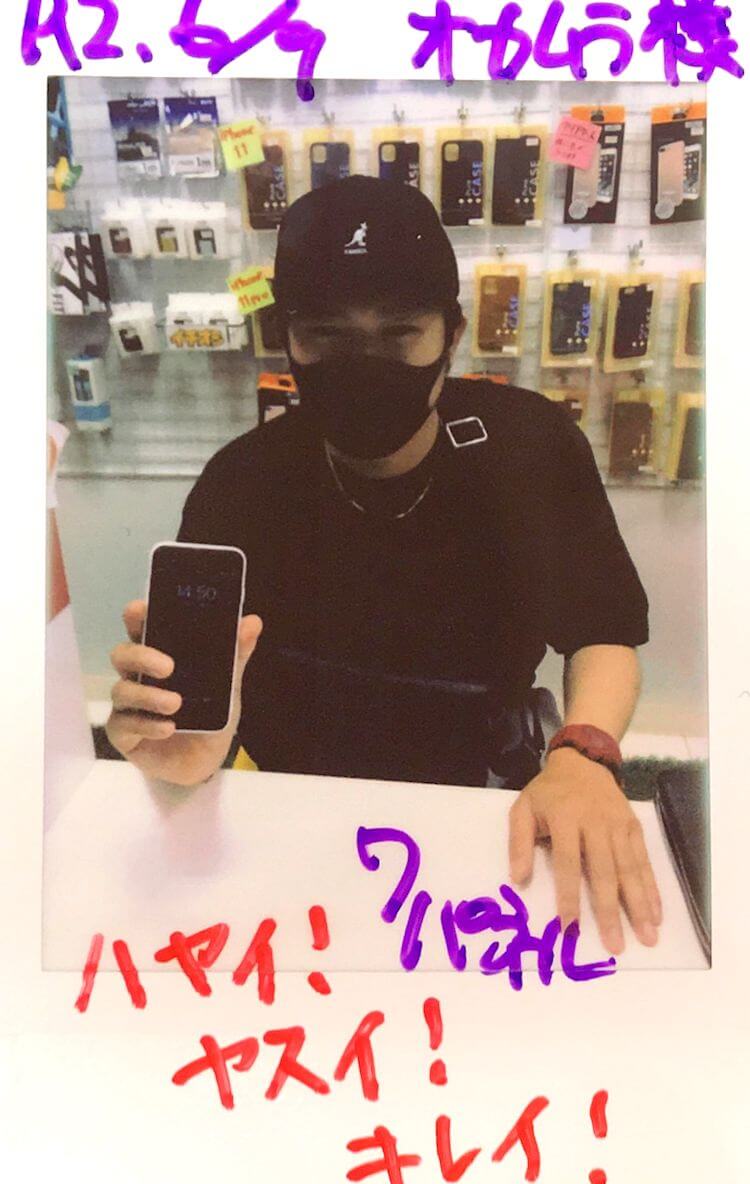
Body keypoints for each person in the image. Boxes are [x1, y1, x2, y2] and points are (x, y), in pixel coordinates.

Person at [106, 175, 662, 956]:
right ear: (289, 339)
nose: (362, 363)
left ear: (451, 335)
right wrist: (191, 757)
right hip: (290, 798)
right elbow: (199, 705)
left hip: (482, 796)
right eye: (327, 333)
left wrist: (583, 753)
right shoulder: (241, 482)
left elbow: (602, 628)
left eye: (399, 331)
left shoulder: (528, 450)